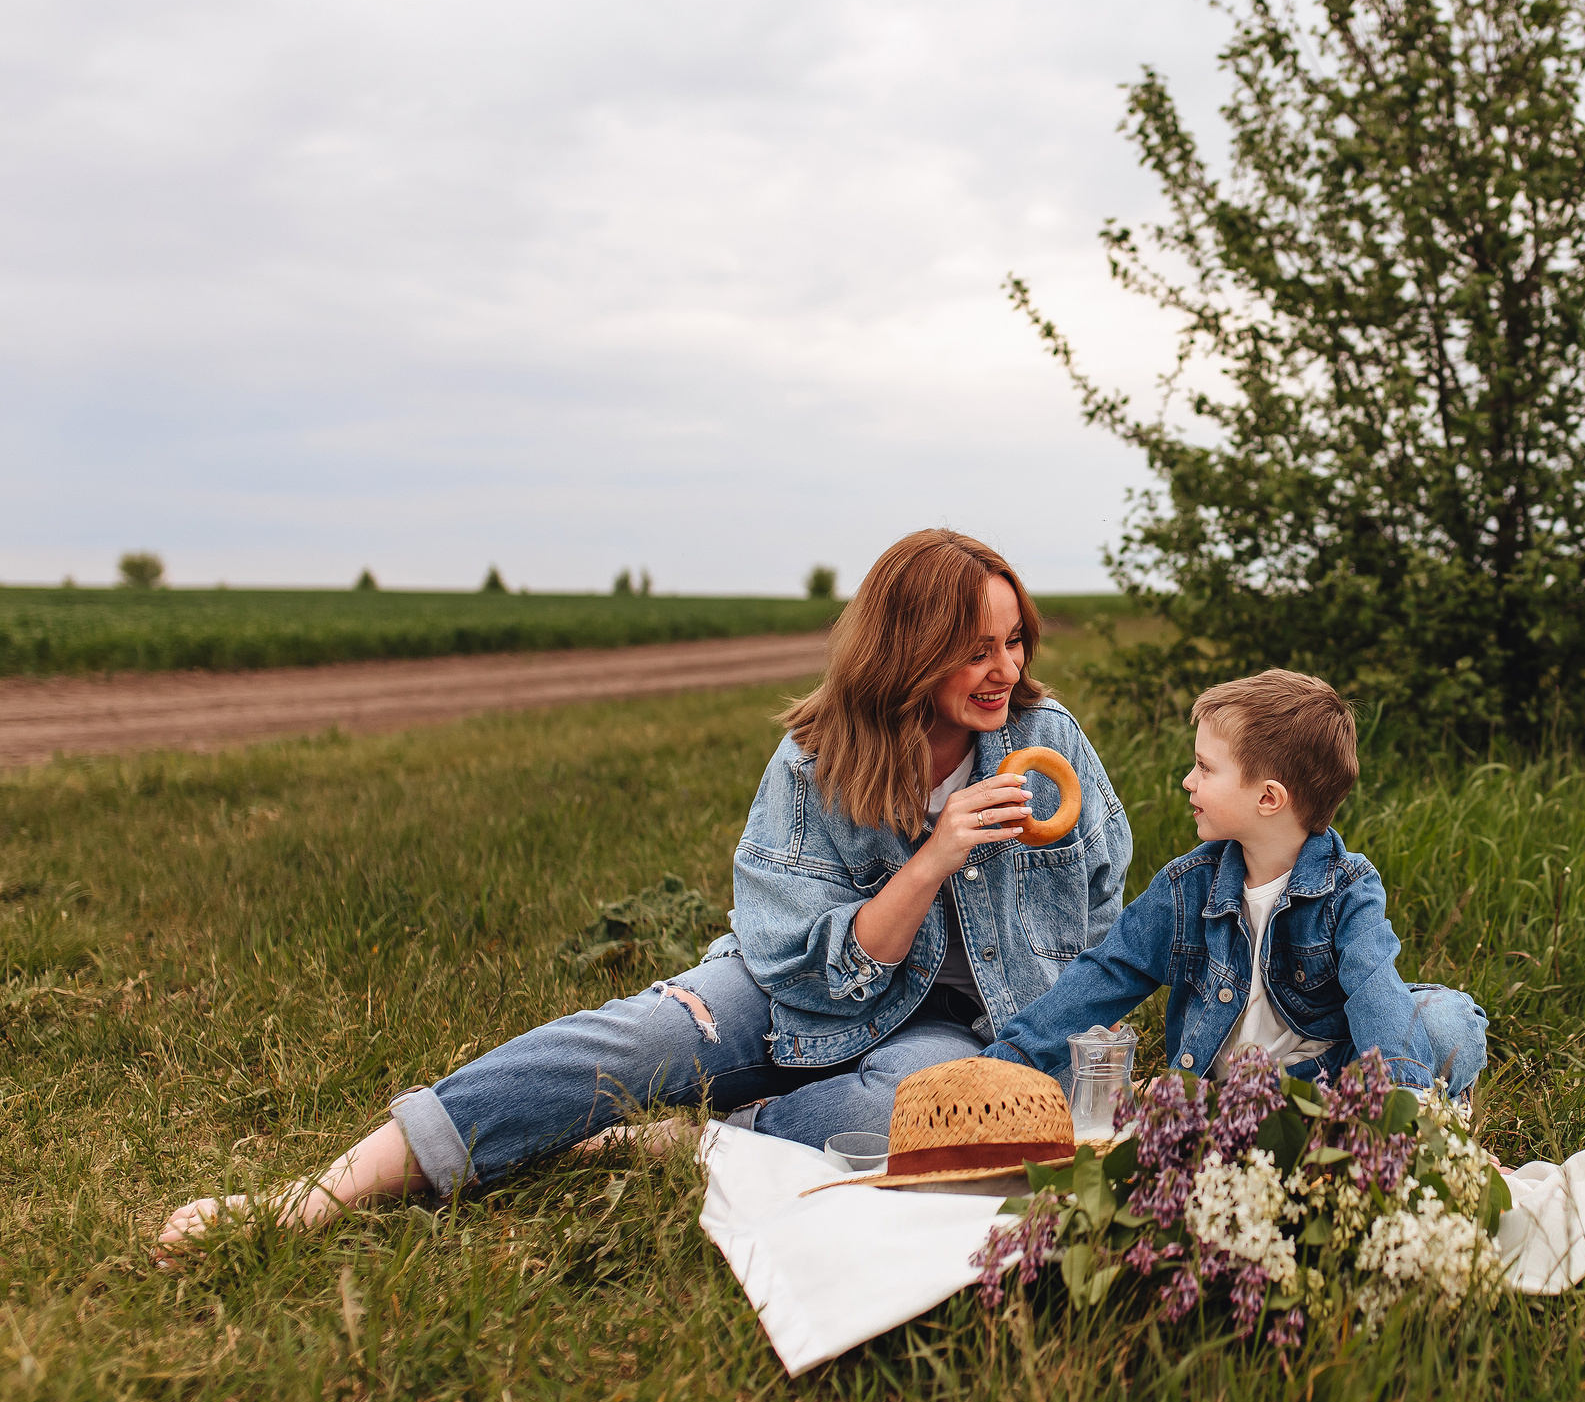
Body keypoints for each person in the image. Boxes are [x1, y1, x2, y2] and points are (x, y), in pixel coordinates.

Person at [158, 529, 1132, 1251]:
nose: (1005, 669)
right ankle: (316, 1193)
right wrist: (929, 861)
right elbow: (810, 967)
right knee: (633, 1040)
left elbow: (1099, 910)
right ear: (911, 648)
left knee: (901, 1119)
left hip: (950, 1026)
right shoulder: (817, 763)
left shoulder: (1049, 745)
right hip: (799, 989)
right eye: (977, 649)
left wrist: (1066, 1049)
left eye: (1015, 643)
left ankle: (701, 1136)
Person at [984, 668, 1485, 1097]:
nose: (1188, 780)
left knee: (1446, 1020)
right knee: (1425, 1021)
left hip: (1321, 1096)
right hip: (1217, 1098)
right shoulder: (1187, 889)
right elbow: (1106, 974)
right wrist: (1005, 1061)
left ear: (1268, 798)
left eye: (1205, 767)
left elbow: (1374, 991)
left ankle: (1405, 1112)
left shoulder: (1348, 890)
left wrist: (1401, 1106)